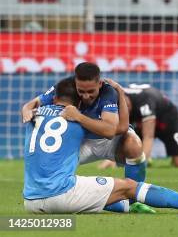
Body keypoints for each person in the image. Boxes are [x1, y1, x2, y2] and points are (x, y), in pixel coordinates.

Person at [23, 77, 178, 214]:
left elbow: (33, 104)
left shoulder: (36, 113)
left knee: (93, 189)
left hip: (30, 200)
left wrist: (27, 107)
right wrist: (117, 93)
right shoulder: (77, 122)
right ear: (77, 103)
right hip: (60, 196)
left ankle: (126, 206)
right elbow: (119, 129)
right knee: (128, 187)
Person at [20, 62, 153, 212]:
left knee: (133, 143)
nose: (86, 96)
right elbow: (33, 103)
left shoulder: (108, 92)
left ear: (100, 84)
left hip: (105, 141)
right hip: (80, 143)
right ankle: (53, 195)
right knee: (51, 163)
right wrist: (26, 110)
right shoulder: (64, 87)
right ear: (75, 82)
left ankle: (133, 201)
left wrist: (79, 117)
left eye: (91, 91)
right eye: (81, 91)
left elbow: (114, 130)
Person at [99, 83, 178, 168]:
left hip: (166, 120)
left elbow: (148, 136)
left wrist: (142, 163)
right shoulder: (113, 103)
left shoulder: (145, 100)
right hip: (140, 121)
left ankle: (146, 157)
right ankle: (144, 155)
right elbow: (118, 134)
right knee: (126, 149)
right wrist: (112, 158)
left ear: (124, 97)